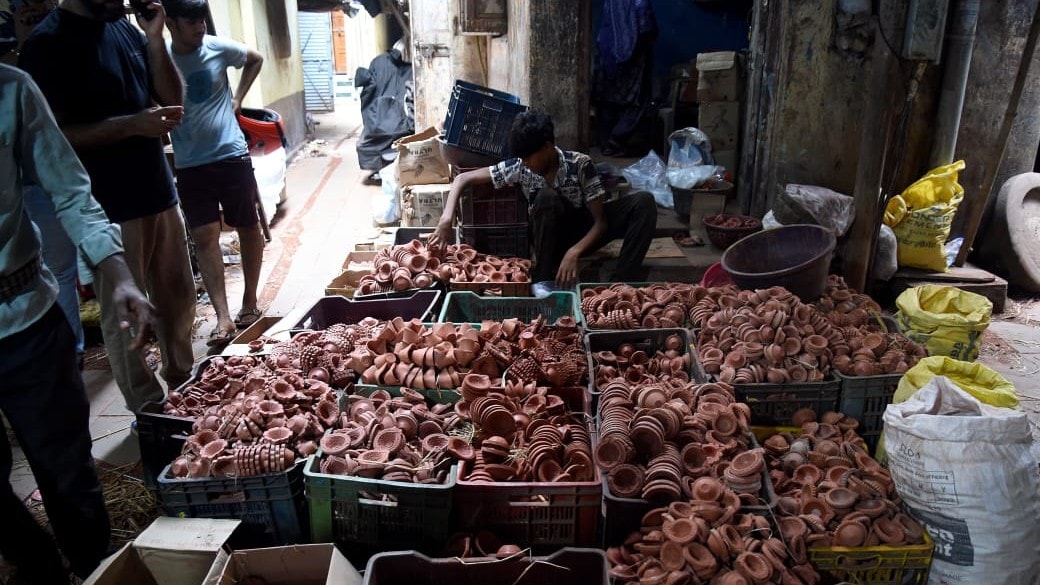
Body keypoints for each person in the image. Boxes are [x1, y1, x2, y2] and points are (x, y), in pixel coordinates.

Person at [0, 63, 157, 584]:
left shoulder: (13, 89)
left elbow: (71, 193)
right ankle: (39, 567)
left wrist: (121, 277)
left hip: (26, 319)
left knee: (67, 471)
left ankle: (95, 568)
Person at [20, 0, 197, 413]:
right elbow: (52, 139)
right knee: (127, 316)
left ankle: (186, 389)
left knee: (179, 299)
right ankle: (149, 411)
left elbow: (172, 99)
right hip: (108, 209)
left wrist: (156, 40)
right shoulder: (47, 44)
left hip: (158, 191)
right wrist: (132, 125)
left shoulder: (124, 28)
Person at [431, 110, 657, 296]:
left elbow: (601, 223)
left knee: (644, 202)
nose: (525, 163)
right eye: (522, 158)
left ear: (547, 147)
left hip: (582, 234)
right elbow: (462, 179)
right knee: (546, 198)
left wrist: (575, 252)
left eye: (529, 157)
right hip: (547, 239)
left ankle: (620, 285)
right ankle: (543, 278)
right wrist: (446, 219)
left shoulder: (580, 164)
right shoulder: (520, 167)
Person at [163, 0, 265, 347]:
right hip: (190, 163)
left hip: (231, 155)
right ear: (171, 23)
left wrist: (238, 98)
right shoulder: (160, 58)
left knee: (248, 226)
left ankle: (249, 302)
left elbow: (255, 59)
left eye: (201, 19)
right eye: (191, 21)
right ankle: (222, 317)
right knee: (205, 236)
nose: (200, 27)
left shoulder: (217, 48)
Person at [2, 0, 87, 367]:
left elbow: (70, 185)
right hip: (32, 189)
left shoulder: (17, 83)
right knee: (62, 270)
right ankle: (73, 353)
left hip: (47, 183)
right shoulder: (18, 66)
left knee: (63, 270)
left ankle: (72, 353)